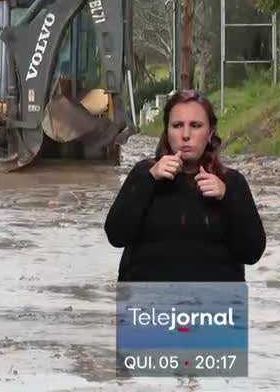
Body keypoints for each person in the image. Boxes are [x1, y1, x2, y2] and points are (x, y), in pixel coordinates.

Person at [104, 90, 266, 282]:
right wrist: (149, 180)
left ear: (210, 133)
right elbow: (116, 236)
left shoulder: (231, 182)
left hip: (214, 306)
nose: (186, 135)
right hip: (150, 305)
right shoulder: (144, 174)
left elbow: (252, 253)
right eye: (177, 125)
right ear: (167, 132)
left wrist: (227, 197)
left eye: (196, 126)